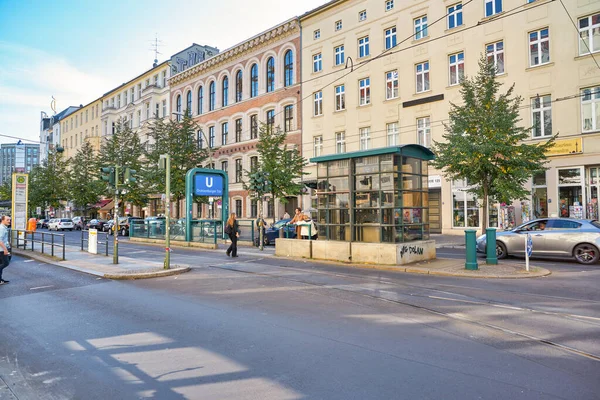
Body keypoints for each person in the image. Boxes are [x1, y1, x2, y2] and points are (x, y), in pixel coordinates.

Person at [0, 215, 12, 284]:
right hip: (1, 249)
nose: (9, 221)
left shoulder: (4, 227)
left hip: (2, 248)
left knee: (1, 263)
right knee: (5, 263)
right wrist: (5, 249)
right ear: (2, 220)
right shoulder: (1, 228)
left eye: (9, 220)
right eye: (7, 220)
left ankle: (0, 280)